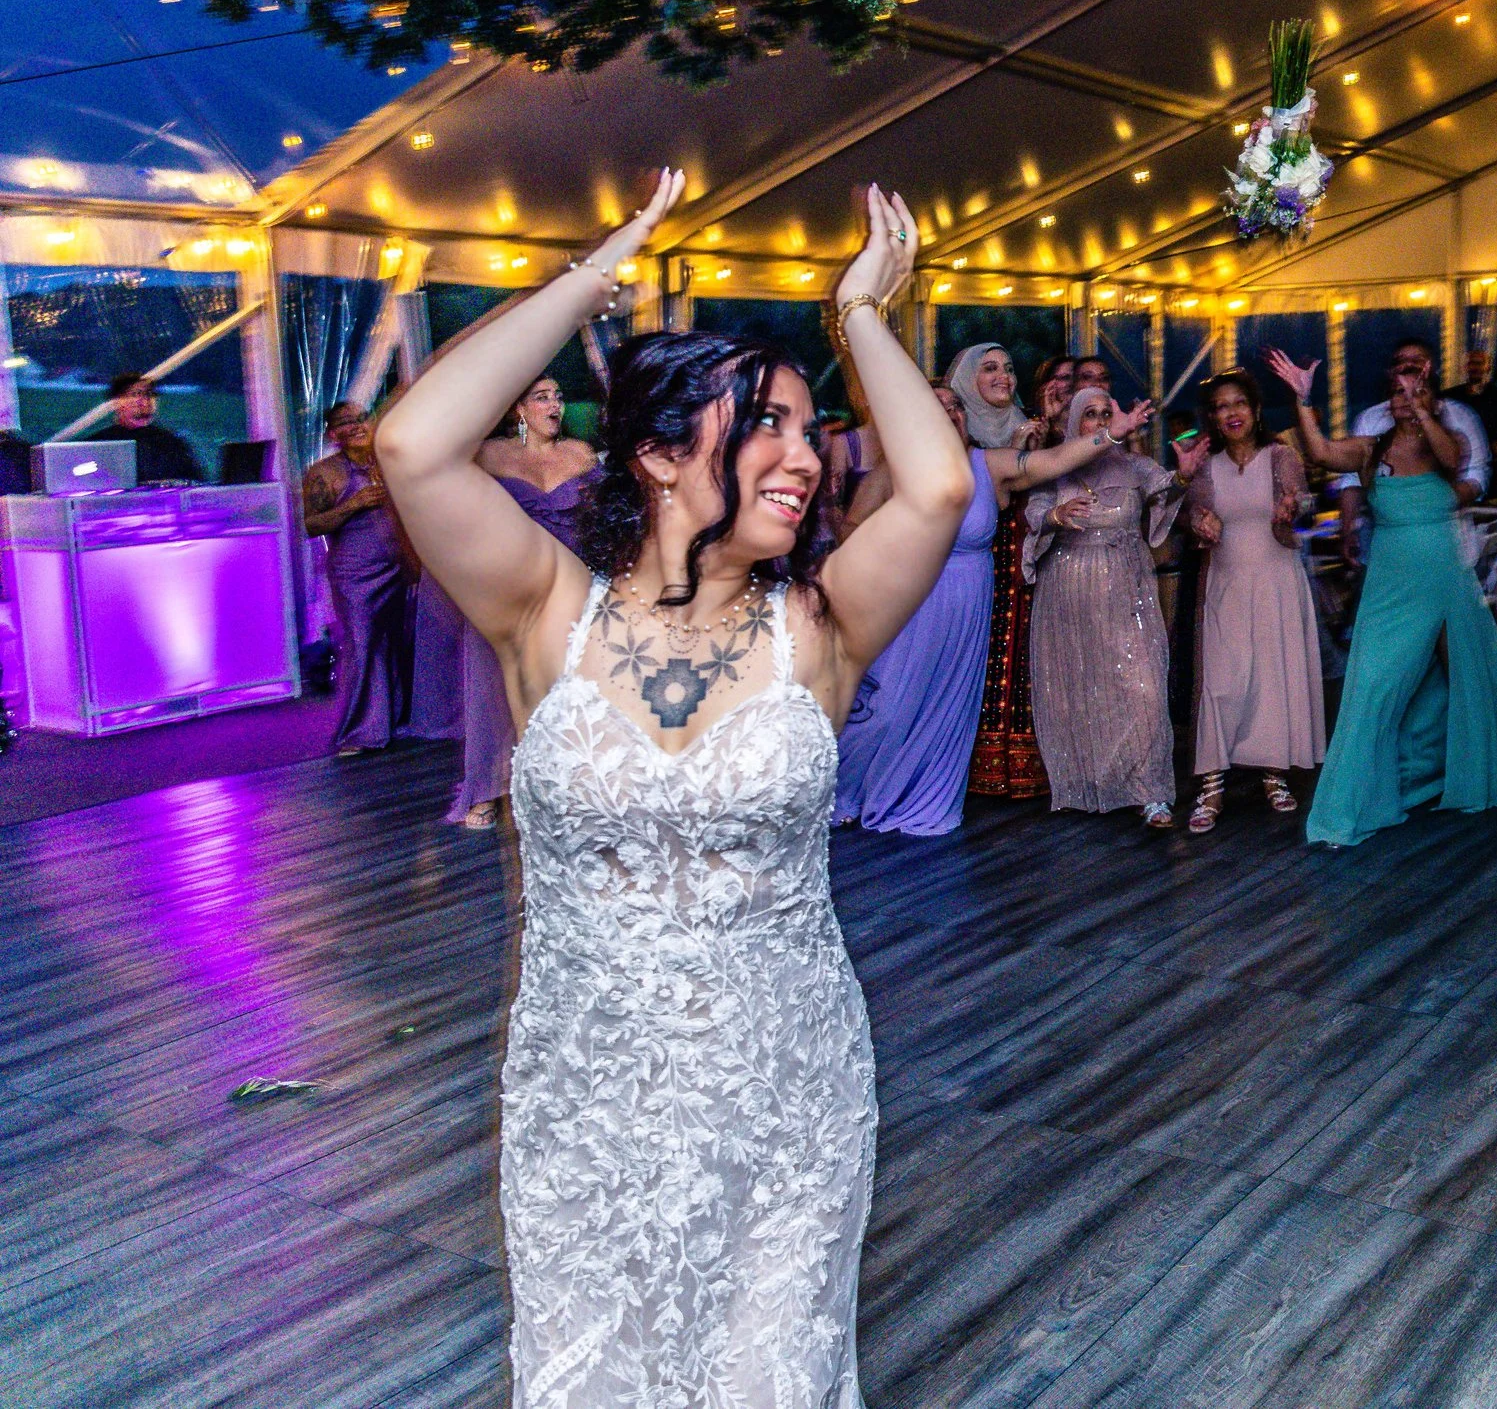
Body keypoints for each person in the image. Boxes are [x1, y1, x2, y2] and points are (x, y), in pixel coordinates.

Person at [376, 174, 970, 1402]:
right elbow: (412, 443)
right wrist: (599, 273)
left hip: (786, 1086)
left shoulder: (819, 622)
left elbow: (938, 490)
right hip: (585, 1101)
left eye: (812, 429)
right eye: (769, 424)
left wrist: (859, 315)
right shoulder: (541, 607)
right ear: (654, 452)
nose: (805, 458)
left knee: (772, 1368)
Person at [837, 382, 1151, 835]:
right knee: (886, 705)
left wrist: (1113, 434)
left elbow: (1055, 461)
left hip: (968, 604)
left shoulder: (990, 465)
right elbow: (850, 526)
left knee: (945, 708)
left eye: (956, 407)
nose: (950, 414)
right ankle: (844, 789)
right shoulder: (894, 472)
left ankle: (920, 796)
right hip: (909, 600)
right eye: (937, 407)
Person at [1271, 348, 1497, 846]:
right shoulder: (1371, 448)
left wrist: (1426, 410)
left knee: (1467, 672)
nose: (1406, 398)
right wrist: (1302, 399)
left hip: (1443, 572)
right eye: (1399, 391)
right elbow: (1321, 453)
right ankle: (1357, 799)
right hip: (1391, 577)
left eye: (1418, 390)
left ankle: (1477, 772)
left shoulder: (1444, 440)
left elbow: (1457, 464)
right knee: (1373, 680)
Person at [1021, 387, 1205, 826]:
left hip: (1127, 586)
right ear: (1074, 424)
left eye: (1108, 412)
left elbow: (1165, 495)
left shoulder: (1134, 465)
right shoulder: (1056, 469)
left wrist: (1183, 476)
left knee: (1143, 685)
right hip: (1068, 589)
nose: (1101, 422)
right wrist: (1056, 516)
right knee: (1080, 687)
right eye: (1091, 415)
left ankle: (1151, 791)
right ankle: (1092, 782)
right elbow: (1033, 513)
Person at [444, 375, 600, 830]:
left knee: (567, 687)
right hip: (506, 586)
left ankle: (569, 787)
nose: (555, 405)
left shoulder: (581, 454)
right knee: (492, 686)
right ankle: (487, 789)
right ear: (519, 409)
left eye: (559, 396)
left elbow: (603, 520)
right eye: (542, 397)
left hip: (569, 583)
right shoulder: (490, 455)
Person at [1182, 370, 1327, 831]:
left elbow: (1301, 499)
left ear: (1256, 409)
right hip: (1225, 584)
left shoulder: (1280, 455)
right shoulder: (1207, 465)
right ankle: (1211, 785)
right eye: (1222, 407)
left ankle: (1274, 774)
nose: (1232, 413)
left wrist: (1292, 507)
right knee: (1222, 682)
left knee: (1272, 677)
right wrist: (1198, 522)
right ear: (1213, 417)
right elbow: (1192, 513)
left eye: (1239, 404)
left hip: (1276, 581)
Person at [966, 344, 1053, 801]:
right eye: (990, 368)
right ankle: (973, 767)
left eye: (1009, 368)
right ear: (966, 380)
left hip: (1031, 555)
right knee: (980, 657)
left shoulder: (1030, 426)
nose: (1004, 376)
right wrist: (1015, 453)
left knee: (1028, 654)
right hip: (980, 560)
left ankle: (1028, 765)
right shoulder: (959, 437)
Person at [301, 400, 409, 756]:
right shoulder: (323, 473)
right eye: (345, 422)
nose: (357, 425)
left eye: (362, 418)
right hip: (356, 574)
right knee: (363, 648)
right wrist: (353, 504)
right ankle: (359, 732)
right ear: (333, 435)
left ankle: (400, 721)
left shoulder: (392, 461)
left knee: (400, 643)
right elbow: (310, 525)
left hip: (400, 566)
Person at [1330, 336, 1491, 562]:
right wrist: (1347, 531)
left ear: (1431, 367)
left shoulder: (1460, 417)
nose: (1408, 364)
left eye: (1417, 359)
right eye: (1401, 360)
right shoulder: (1371, 419)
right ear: (1391, 372)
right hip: (1383, 547)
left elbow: (1476, 476)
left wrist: (1427, 507)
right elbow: (1351, 482)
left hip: (1445, 543)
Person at [105, 373, 203, 483]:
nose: (145, 400)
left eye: (150, 394)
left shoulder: (173, 443)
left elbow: (195, 481)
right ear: (116, 401)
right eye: (136, 394)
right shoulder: (101, 443)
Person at [1443, 348, 1497, 451]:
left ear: (1488, 367)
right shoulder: (1449, 396)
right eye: (1470, 363)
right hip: (1457, 458)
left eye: (1479, 363)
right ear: (1463, 367)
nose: (1474, 367)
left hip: (1489, 460)